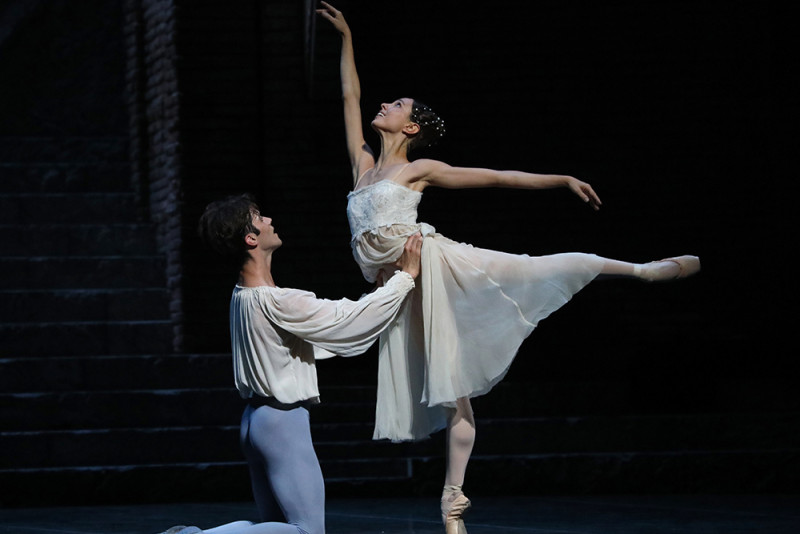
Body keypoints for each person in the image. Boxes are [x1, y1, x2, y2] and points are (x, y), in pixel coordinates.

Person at [317, 3, 701, 533]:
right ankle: (455, 500)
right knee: (454, 396)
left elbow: (496, 177)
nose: (384, 103)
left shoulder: (418, 169)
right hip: (398, 289)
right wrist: (347, 38)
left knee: (530, 270)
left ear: (412, 126)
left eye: (397, 103)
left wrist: (559, 179)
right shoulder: (362, 165)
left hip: (435, 268)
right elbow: (349, 96)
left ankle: (641, 271)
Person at [156, 193, 423, 534]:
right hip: (281, 423)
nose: (269, 220)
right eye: (260, 217)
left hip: (255, 422)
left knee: (276, 526)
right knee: (306, 530)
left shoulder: (243, 295)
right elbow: (348, 319)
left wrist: (381, 294)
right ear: (251, 238)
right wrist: (405, 278)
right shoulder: (279, 301)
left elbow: (318, 333)